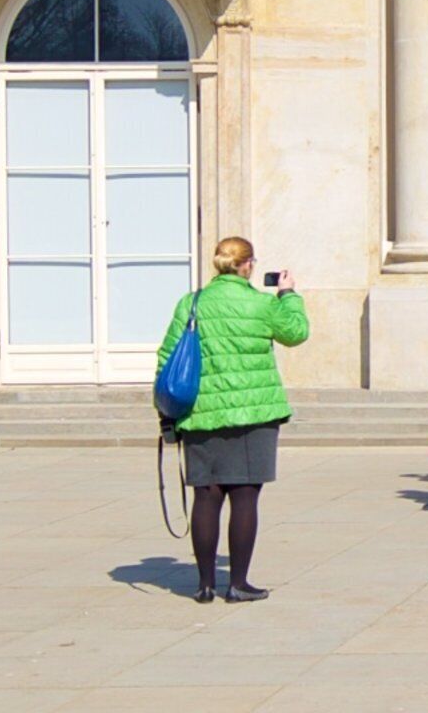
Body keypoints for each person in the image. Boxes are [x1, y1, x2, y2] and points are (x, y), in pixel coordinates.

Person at [153, 236, 311, 602]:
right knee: (244, 497)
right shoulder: (260, 304)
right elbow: (296, 333)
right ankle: (238, 583)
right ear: (248, 265)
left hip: (201, 414)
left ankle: (205, 584)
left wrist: (164, 411)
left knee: (206, 497)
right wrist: (288, 295)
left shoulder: (191, 304)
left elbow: (167, 357)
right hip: (255, 413)